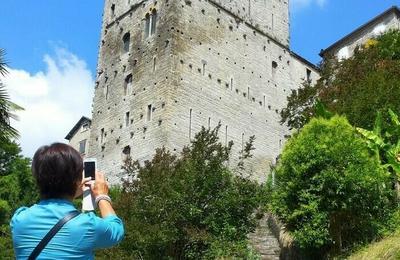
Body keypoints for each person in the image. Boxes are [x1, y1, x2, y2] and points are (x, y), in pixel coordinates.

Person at [10, 143, 124, 259]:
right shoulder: (87, 225)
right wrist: (101, 196)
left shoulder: (19, 219)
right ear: (77, 180)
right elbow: (116, 230)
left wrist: (74, 189)